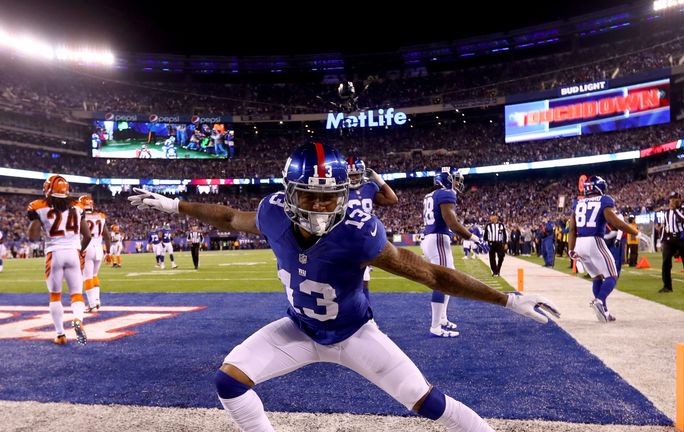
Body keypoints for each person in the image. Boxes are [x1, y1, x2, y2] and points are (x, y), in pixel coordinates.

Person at [128, 143, 559, 432]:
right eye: (310, 197)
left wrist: (508, 299)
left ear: (342, 195)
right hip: (299, 329)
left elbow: (432, 274)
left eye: (329, 197)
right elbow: (227, 218)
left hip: (355, 335)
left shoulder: (357, 230)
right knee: (229, 381)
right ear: (288, 193)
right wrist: (174, 204)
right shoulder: (273, 213)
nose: (319, 206)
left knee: (427, 402)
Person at [27, 175, 91, 344]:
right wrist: (81, 250)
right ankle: (78, 319)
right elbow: (88, 236)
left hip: (54, 253)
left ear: (49, 189)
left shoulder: (39, 206)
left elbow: (32, 236)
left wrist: (38, 220)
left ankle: (60, 334)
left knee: (55, 296)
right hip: (73, 252)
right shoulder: (78, 206)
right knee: (77, 294)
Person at [421, 167, 482, 338]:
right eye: (455, 179)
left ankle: (442, 319)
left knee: (449, 278)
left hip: (433, 239)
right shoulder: (446, 193)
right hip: (438, 239)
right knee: (443, 281)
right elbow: (452, 224)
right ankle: (435, 326)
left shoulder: (430, 195)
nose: (457, 183)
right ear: (446, 179)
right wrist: (474, 238)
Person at [568, 176, 638, 323]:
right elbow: (615, 221)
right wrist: (634, 231)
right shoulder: (604, 200)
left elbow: (572, 229)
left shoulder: (578, 203)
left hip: (579, 243)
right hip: (594, 240)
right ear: (599, 187)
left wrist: (570, 249)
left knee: (597, 277)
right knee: (612, 275)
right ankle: (600, 301)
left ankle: (604, 312)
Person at [345, 157, 398, 300]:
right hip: (345, 238)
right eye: (350, 175)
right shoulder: (339, 190)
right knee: (344, 282)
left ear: (363, 173)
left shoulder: (369, 187)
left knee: (364, 281)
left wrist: (378, 179)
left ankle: (365, 315)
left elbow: (392, 199)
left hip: (364, 240)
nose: (354, 178)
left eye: (356, 174)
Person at [659, 192, 684, 293]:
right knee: (666, 262)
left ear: (680, 199)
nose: (672, 201)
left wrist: (675, 210)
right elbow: (665, 227)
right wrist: (662, 241)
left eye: (675, 198)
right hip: (669, 238)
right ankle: (667, 286)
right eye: (671, 199)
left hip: (682, 237)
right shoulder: (666, 212)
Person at [79, 195, 111, 312]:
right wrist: (108, 252)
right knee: (94, 275)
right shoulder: (100, 216)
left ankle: (92, 304)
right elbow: (107, 236)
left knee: (87, 277)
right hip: (99, 248)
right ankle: (97, 301)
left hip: (87, 247)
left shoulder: (79, 217)